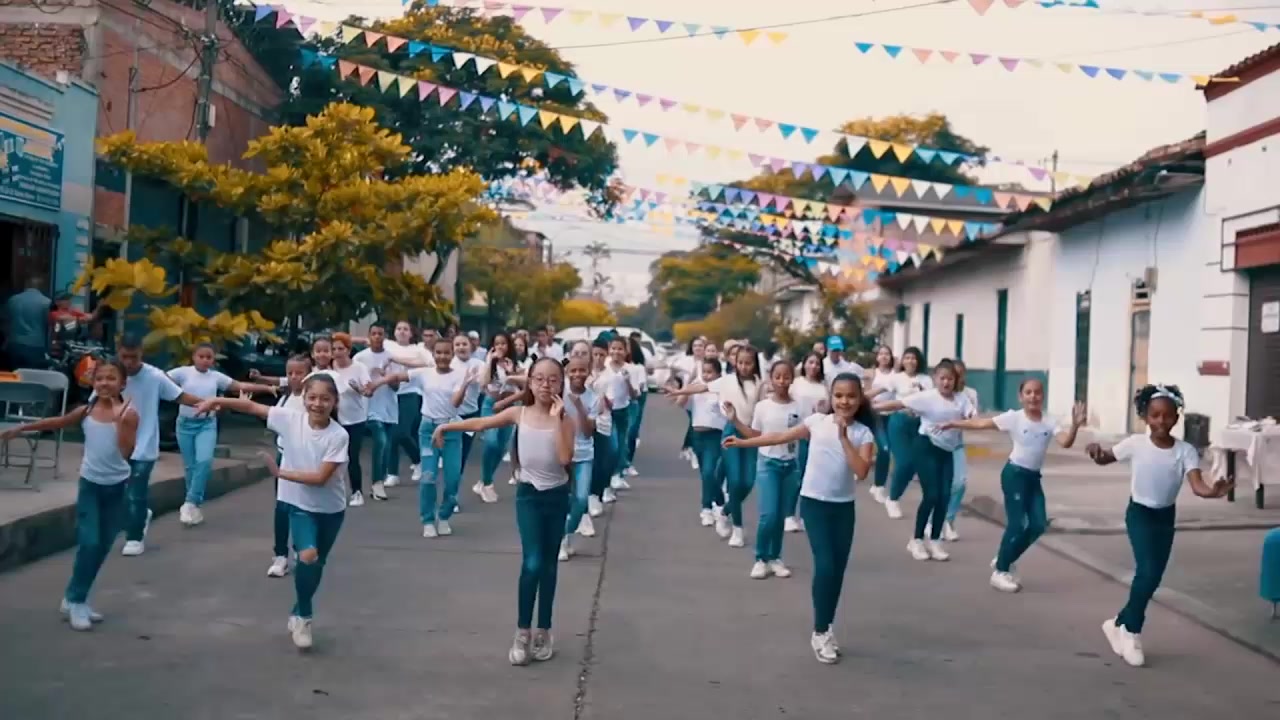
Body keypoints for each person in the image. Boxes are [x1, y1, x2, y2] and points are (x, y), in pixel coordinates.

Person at [432, 358, 575, 665]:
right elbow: (482, 423)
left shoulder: (565, 420)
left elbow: (565, 458)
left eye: (553, 379)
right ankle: (522, 632)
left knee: (549, 566)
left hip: (557, 497)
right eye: (539, 378)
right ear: (529, 382)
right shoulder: (519, 413)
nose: (545, 385)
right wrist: (447, 425)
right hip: (528, 497)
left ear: (561, 384)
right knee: (532, 563)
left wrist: (557, 418)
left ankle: (544, 630)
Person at [724, 373, 875, 664]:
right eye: (839, 395)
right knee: (826, 566)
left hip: (843, 509)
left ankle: (826, 626)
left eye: (851, 396)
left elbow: (861, 471)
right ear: (831, 397)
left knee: (837, 572)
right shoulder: (816, 422)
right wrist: (743, 442)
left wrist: (844, 438)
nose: (844, 401)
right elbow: (778, 437)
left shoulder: (863, 434)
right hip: (814, 505)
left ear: (860, 400)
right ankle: (820, 632)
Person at [196, 374, 351, 651]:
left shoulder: (339, 436)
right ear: (304, 399)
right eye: (312, 397)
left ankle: (298, 609)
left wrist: (280, 473)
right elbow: (251, 407)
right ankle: (304, 618)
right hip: (300, 506)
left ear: (335, 402)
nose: (318, 404)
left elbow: (320, 478)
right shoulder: (289, 419)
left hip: (331, 508)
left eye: (325, 399)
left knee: (316, 564)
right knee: (308, 555)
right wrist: (215, 400)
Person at [1087, 384, 1231, 667]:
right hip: (1139, 514)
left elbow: (1198, 486)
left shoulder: (1185, 451)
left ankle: (1118, 623)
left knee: (1152, 578)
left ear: (1176, 417)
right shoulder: (1135, 444)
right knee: (1148, 571)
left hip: (1165, 518)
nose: (1161, 421)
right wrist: (1095, 451)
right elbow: (1106, 458)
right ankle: (1131, 631)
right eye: (1155, 415)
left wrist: (1213, 492)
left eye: (1167, 415)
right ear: (1145, 417)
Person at [1, 359, 138, 630]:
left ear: (123, 384)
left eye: (111, 378)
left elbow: (126, 454)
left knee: (102, 547)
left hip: (117, 488)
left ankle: (77, 595)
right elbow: (59, 422)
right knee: (89, 543)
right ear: (93, 383)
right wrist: (21, 428)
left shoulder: (130, 414)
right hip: (90, 486)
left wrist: (120, 422)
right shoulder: (86, 410)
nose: (105, 383)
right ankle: (76, 601)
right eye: (100, 378)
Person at [941, 378, 1085, 592]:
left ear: (1043, 396)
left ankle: (1005, 557)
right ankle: (1000, 571)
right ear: (1021, 397)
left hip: (1033, 478)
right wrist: (954, 423)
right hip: (1014, 474)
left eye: (1037, 392)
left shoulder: (1049, 421)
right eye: (1028, 392)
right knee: (1017, 524)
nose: (1033, 396)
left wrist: (1074, 426)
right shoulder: (1014, 418)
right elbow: (981, 424)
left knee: (1038, 524)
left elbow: (1065, 442)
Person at [374, 338, 479, 537]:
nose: (442, 357)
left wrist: (465, 384)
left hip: (450, 429)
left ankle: (444, 516)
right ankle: (428, 520)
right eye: (438, 353)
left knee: (453, 479)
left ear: (452, 355)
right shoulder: (424, 373)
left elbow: (455, 403)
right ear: (433, 354)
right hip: (428, 430)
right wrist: (375, 384)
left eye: (446, 353)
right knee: (428, 477)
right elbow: (397, 376)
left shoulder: (459, 375)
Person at [874, 359, 975, 562]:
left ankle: (935, 540)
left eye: (950, 379)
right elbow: (898, 404)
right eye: (942, 378)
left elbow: (972, 416)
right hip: (926, 447)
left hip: (946, 451)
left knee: (944, 496)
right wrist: (868, 408)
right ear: (935, 379)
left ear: (955, 380)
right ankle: (917, 540)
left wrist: (967, 419)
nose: (946, 382)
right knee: (932, 495)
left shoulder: (962, 399)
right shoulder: (927, 397)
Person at [113, 335, 202, 556]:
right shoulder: (110, 375)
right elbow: (95, 402)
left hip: (144, 444)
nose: (129, 363)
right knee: (119, 493)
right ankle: (141, 516)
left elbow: (179, 396)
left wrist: (206, 403)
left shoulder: (154, 376)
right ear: (118, 353)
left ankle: (134, 537)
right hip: (115, 444)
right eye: (124, 357)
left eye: (134, 357)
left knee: (136, 493)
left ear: (141, 353)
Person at [167, 343, 275, 527]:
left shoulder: (216, 377)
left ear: (213, 359)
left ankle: (190, 502)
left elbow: (240, 386)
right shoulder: (182, 373)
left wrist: (266, 388)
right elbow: (160, 380)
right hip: (184, 424)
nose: (205, 360)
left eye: (209, 357)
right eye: (201, 356)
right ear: (193, 357)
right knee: (191, 467)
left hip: (206, 424)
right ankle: (194, 507)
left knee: (204, 461)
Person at [667, 345, 762, 546]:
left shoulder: (759, 384)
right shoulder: (726, 381)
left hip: (751, 434)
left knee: (747, 483)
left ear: (755, 364)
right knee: (735, 481)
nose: (744, 366)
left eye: (748, 363)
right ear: (735, 363)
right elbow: (701, 387)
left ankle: (725, 511)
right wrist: (680, 391)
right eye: (740, 362)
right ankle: (738, 529)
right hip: (730, 432)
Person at [728, 360, 802, 580]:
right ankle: (760, 558)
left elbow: (809, 433)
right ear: (771, 379)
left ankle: (775, 557)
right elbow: (755, 434)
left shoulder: (799, 407)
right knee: (768, 515)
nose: (782, 381)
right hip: (768, 464)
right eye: (778, 377)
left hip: (790, 465)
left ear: (792, 379)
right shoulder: (763, 407)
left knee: (780, 516)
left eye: (786, 377)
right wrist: (735, 421)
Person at [267, 354, 312, 578]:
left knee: (303, 506)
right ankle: (280, 555)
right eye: (290, 373)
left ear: (309, 374)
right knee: (282, 506)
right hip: (284, 457)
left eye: (299, 373)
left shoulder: (311, 399)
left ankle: (301, 548)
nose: (294, 377)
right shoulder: (284, 399)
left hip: (306, 459)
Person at [875, 347, 933, 519]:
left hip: (919, 424)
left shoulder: (926, 380)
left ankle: (894, 497)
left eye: (913, 358)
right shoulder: (897, 378)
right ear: (902, 361)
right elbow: (879, 391)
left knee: (914, 464)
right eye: (907, 358)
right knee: (903, 462)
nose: (910, 361)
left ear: (918, 360)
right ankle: (892, 499)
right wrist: (860, 399)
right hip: (899, 423)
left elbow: (932, 400)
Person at [559, 356, 601, 561]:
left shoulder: (594, 398)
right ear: (567, 373)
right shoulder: (560, 393)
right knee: (562, 499)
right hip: (562, 453)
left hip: (584, 455)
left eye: (582, 370)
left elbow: (588, 431)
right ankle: (560, 541)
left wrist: (579, 407)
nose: (577, 374)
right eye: (573, 370)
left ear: (588, 372)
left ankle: (565, 534)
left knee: (581, 498)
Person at [353, 324, 402, 498]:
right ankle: (377, 482)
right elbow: (355, 382)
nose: (376, 337)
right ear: (369, 336)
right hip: (369, 407)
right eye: (373, 333)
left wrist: (385, 376)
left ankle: (379, 481)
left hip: (388, 406)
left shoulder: (392, 358)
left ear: (385, 336)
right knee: (380, 441)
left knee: (386, 446)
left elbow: (396, 387)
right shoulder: (360, 358)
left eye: (380, 333)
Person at [935, 359, 980, 542]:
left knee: (960, 483)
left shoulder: (969, 395)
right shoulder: (936, 394)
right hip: (934, 444)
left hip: (956, 443)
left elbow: (974, 418)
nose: (957, 378)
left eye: (960, 374)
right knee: (938, 487)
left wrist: (969, 419)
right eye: (954, 374)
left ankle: (949, 519)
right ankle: (933, 522)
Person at [477, 332, 523, 500]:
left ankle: (484, 480)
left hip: (509, 406)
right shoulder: (489, 363)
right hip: (491, 405)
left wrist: (511, 373)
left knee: (501, 447)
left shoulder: (515, 364)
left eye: (503, 343)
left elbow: (523, 387)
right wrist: (490, 361)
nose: (500, 347)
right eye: (497, 344)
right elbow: (483, 383)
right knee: (491, 442)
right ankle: (487, 483)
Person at [682, 357, 727, 526]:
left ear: (718, 374)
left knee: (709, 472)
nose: (706, 376)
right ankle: (717, 502)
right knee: (705, 474)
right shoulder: (696, 386)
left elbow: (726, 411)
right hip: (697, 435)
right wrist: (687, 388)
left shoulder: (722, 390)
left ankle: (708, 508)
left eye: (710, 372)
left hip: (714, 435)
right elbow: (682, 403)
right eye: (704, 372)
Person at [786, 353, 827, 533]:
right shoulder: (796, 384)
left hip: (816, 434)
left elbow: (826, 411)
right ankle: (789, 515)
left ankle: (804, 515)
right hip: (797, 432)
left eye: (817, 363)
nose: (813, 366)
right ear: (804, 364)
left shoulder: (823, 387)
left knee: (811, 477)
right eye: (810, 362)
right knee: (797, 475)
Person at [587, 338, 619, 508]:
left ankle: (596, 494)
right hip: (585, 421)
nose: (598, 358)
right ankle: (587, 495)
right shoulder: (584, 372)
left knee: (603, 460)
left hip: (603, 422)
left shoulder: (610, 376)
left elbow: (611, 404)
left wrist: (602, 396)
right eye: (595, 354)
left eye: (601, 355)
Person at [603, 335, 637, 489]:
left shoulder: (630, 369)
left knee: (620, 446)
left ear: (626, 351)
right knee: (611, 446)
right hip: (605, 411)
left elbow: (634, 395)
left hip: (622, 411)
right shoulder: (604, 366)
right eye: (613, 348)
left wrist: (627, 381)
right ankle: (608, 477)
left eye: (620, 349)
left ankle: (617, 474)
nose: (616, 352)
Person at [867, 346, 897, 503]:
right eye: (881, 354)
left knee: (888, 450)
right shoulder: (873, 373)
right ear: (877, 357)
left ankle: (879, 486)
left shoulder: (896, 375)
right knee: (884, 449)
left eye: (887, 354)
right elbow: (865, 394)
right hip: (876, 416)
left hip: (892, 416)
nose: (884, 357)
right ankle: (878, 486)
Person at [453, 334, 487, 473]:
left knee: (463, 451)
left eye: (464, 344)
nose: (461, 347)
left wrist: (476, 379)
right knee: (451, 449)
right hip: (451, 414)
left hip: (470, 415)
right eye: (457, 344)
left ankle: (456, 480)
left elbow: (484, 383)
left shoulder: (479, 365)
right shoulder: (449, 364)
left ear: (471, 347)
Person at [3, 275, 52, 370]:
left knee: (15, 374)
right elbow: (50, 325)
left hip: (14, 343)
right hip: (35, 345)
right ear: (41, 287)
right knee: (32, 375)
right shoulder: (46, 302)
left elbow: (6, 322)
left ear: (26, 285)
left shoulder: (12, 300)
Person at [623, 335, 648, 477]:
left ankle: (628, 463)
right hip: (617, 405)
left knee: (631, 433)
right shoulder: (613, 366)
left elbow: (640, 388)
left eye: (626, 346)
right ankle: (620, 466)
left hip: (632, 403)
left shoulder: (638, 368)